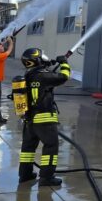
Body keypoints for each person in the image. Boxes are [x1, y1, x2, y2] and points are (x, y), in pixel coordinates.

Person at [18, 48, 71, 186]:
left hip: (29, 119)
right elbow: (63, 77)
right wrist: (64, 63)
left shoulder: (28, 75)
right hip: (44, 119)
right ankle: (47, 177)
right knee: (50, 147)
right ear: (37, 59)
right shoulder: (43, 76)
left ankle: (25, 175)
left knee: (28, 148)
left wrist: (50, 63)